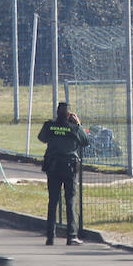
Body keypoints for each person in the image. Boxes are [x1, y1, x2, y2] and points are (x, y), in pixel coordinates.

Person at [39, 102, 90, 245]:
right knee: (70, 201)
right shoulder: (74, 128)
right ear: (69, 115)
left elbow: (42, 138)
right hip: (69, 168)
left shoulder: (49, 126)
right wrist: (78, 124)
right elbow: (86, 141)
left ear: (57, 113)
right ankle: (71, 236)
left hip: (53, 167)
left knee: (52, 202)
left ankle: (50, 237)